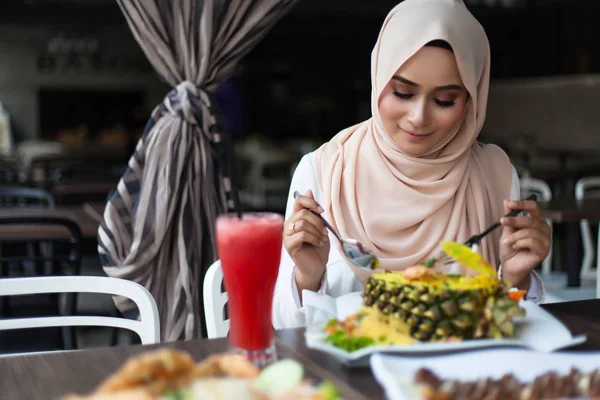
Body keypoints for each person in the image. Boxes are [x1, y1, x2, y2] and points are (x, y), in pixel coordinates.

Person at [272, 0, 552, 329]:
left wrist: (517, 277)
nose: (418, 118)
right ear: (379, 78)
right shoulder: (324, 171)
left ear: (473, 99)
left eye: (445, 100)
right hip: (349, 376)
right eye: (403, 93)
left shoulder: (495, 177)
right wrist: (307, 275)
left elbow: (508, 324)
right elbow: (283, 331)